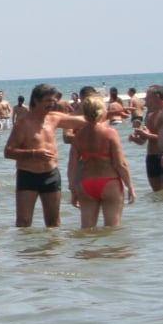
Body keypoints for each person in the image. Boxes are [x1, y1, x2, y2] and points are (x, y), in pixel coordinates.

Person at [2, 83, 87, 227]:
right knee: (23, 222)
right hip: (28, 175)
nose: (52, 104)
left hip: (51, 175)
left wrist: (109, 114)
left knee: (53, 222)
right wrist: (34, 153)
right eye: (48, 100)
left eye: (53, 101)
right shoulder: (23, 124)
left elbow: (84, 121)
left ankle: (52, 250)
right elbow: (8, 152)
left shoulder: (54, 118)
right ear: (36, 100)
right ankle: (27, 249)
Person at [67, 95, 136, 227]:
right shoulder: (110, 133)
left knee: (86, 230)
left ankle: (88, 248)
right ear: (102, 111)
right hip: (109, 183)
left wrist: (73, 188)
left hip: (86, 184)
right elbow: (120, 164)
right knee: (112, 230)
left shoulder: (78, 136)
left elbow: (72, 165)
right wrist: (130, 187)